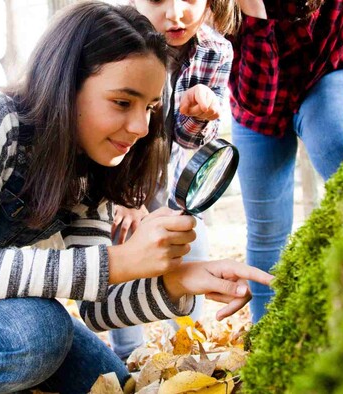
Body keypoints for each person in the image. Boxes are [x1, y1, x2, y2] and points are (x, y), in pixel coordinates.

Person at [0, 2, 273, 393]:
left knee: (108, 381)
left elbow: (97, 307)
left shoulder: (92, 165)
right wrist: (124, 259)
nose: (142, 127)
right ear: (66, 84)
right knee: (36, 334)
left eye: (149, 107)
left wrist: (179, 280)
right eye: (123, 101)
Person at [107, 0, 237, 361]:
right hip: (119, 175)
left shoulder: (215, 50)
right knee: (122, 249)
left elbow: (188, 140)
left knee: (189, 246)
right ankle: (127, 357)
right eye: (158, 0)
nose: (176, 14)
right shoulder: (115, 41)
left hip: (173, 177)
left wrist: (201, 115)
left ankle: (185, 351)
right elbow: (110, 127)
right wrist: (126, 197)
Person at [227, 0, 343, 322]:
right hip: (256, 111)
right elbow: (258, 101)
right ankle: (265, 332)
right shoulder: (220, 9)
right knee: (266, 231)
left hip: (326, 71)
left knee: (339, 154)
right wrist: (255, 14)